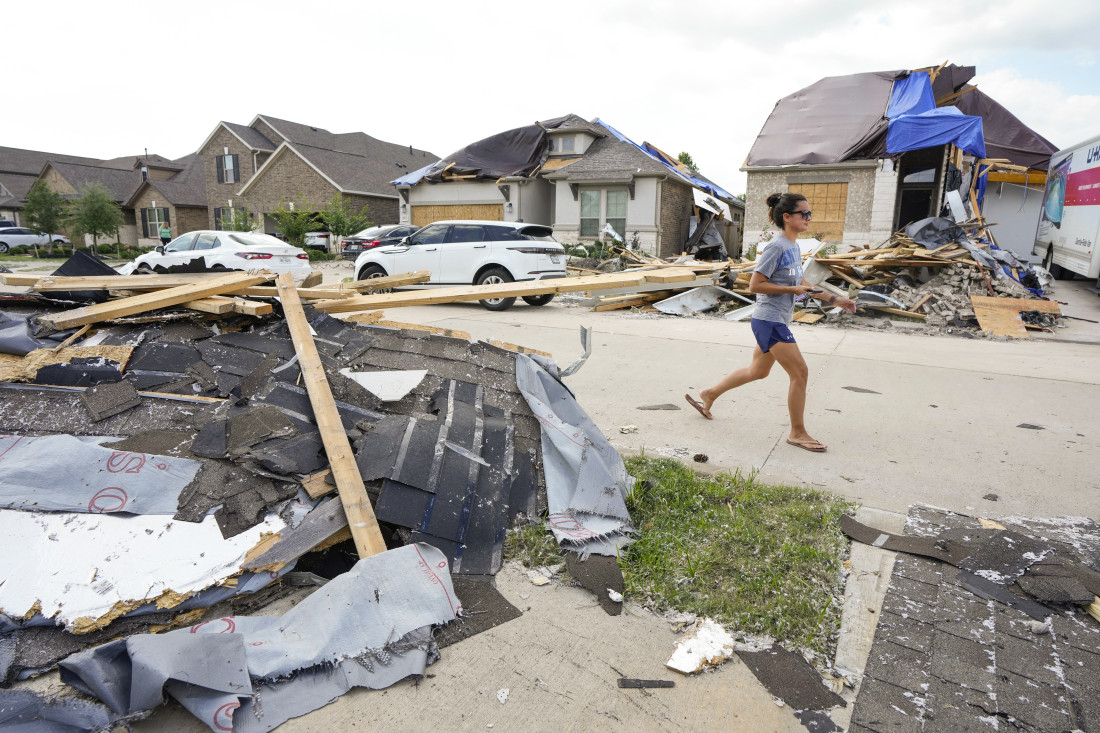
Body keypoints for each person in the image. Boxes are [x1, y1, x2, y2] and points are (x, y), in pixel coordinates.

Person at [685, 192, 856, 452]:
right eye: (804, 214)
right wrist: (791, 291)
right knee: (800, 373)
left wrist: (835, 298)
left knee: (758, 371)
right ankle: (797, 433)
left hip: (776, 320)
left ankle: (709, 394)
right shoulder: (776, 246)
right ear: (787, 217)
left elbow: (801, 283)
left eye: (810, 213)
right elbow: (756, 284)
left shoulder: (794, 246)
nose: (809, 218)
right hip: (769, 320)